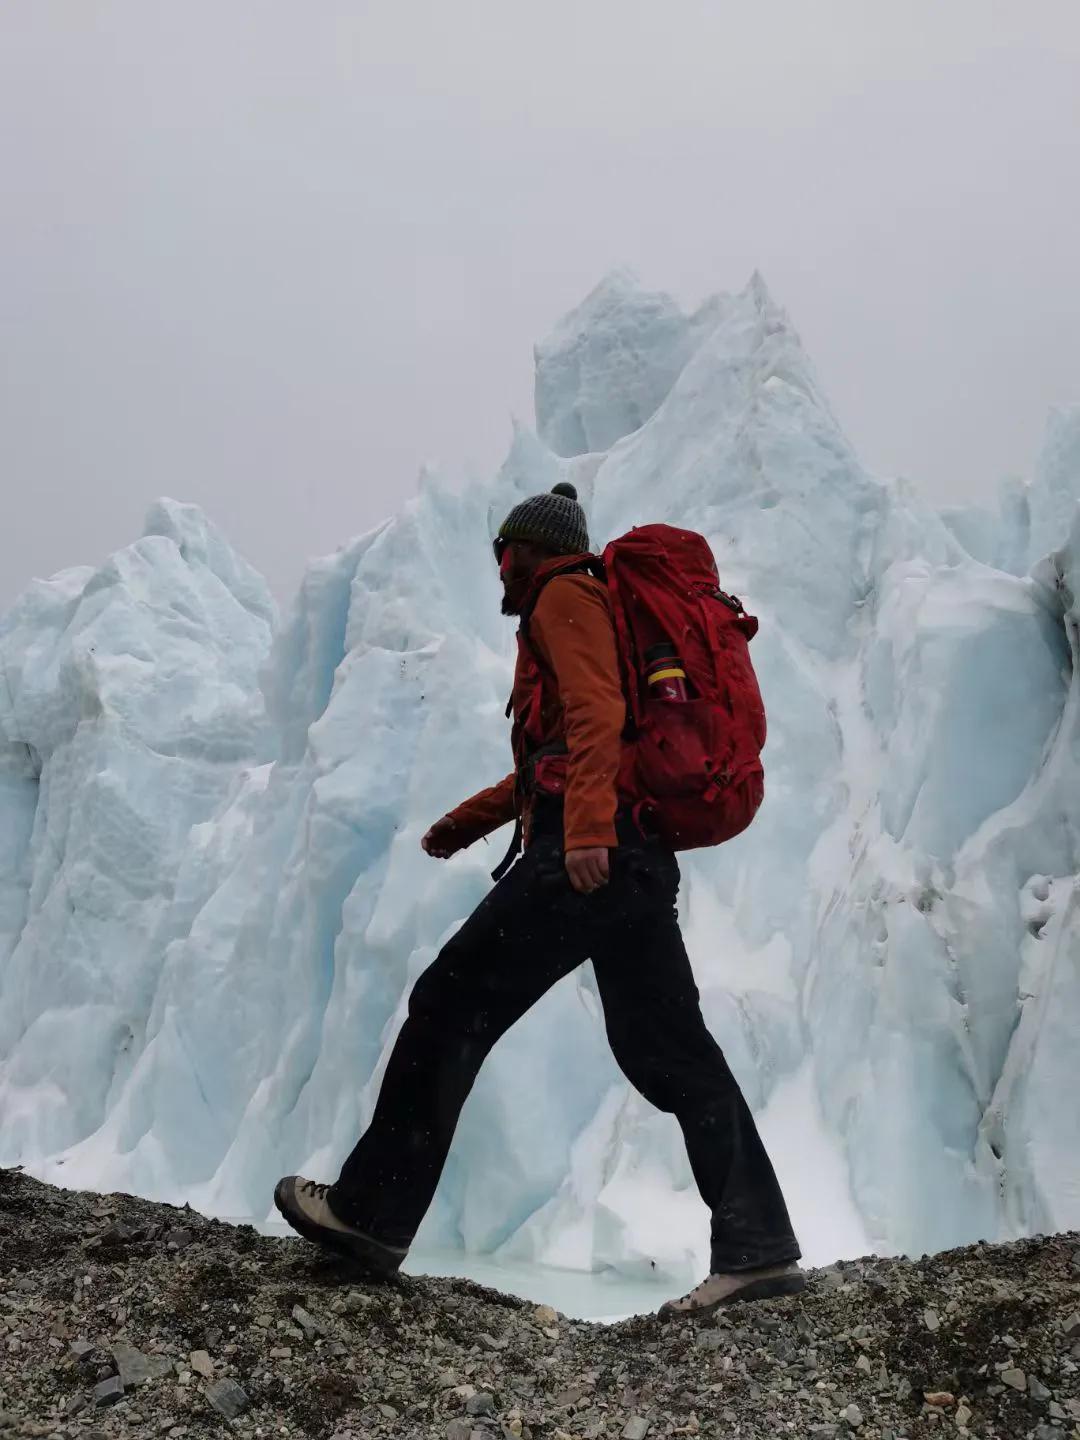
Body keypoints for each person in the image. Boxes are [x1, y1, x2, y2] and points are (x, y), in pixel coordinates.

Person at [275, 482, 803, 1316]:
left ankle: (370, 1215)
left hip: (587, 859)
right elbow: (561, 752)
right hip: (632, 861)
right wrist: (470, 821)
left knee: (448, 1004)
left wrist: (587, 831)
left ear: (527, 550)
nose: (497, 569)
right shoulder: (577, 603)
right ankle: (759, 1247)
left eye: (502, 552)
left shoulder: (563, 593)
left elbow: (598, 711)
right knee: (671, 1052)